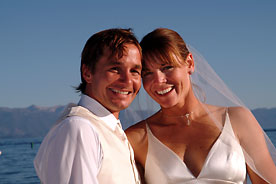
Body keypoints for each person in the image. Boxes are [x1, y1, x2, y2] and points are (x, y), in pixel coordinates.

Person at [126, 28, 276, 184]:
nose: (158, 80)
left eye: (167, 67)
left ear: (189, 63)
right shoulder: (136, 138)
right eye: (148, 73)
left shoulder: (238, 120)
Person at [34, 28, 142, 184]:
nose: (127, 80)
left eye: (134, 71)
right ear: (87, 73)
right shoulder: (80, 129)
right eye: (115, 69)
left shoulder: (108, 128)